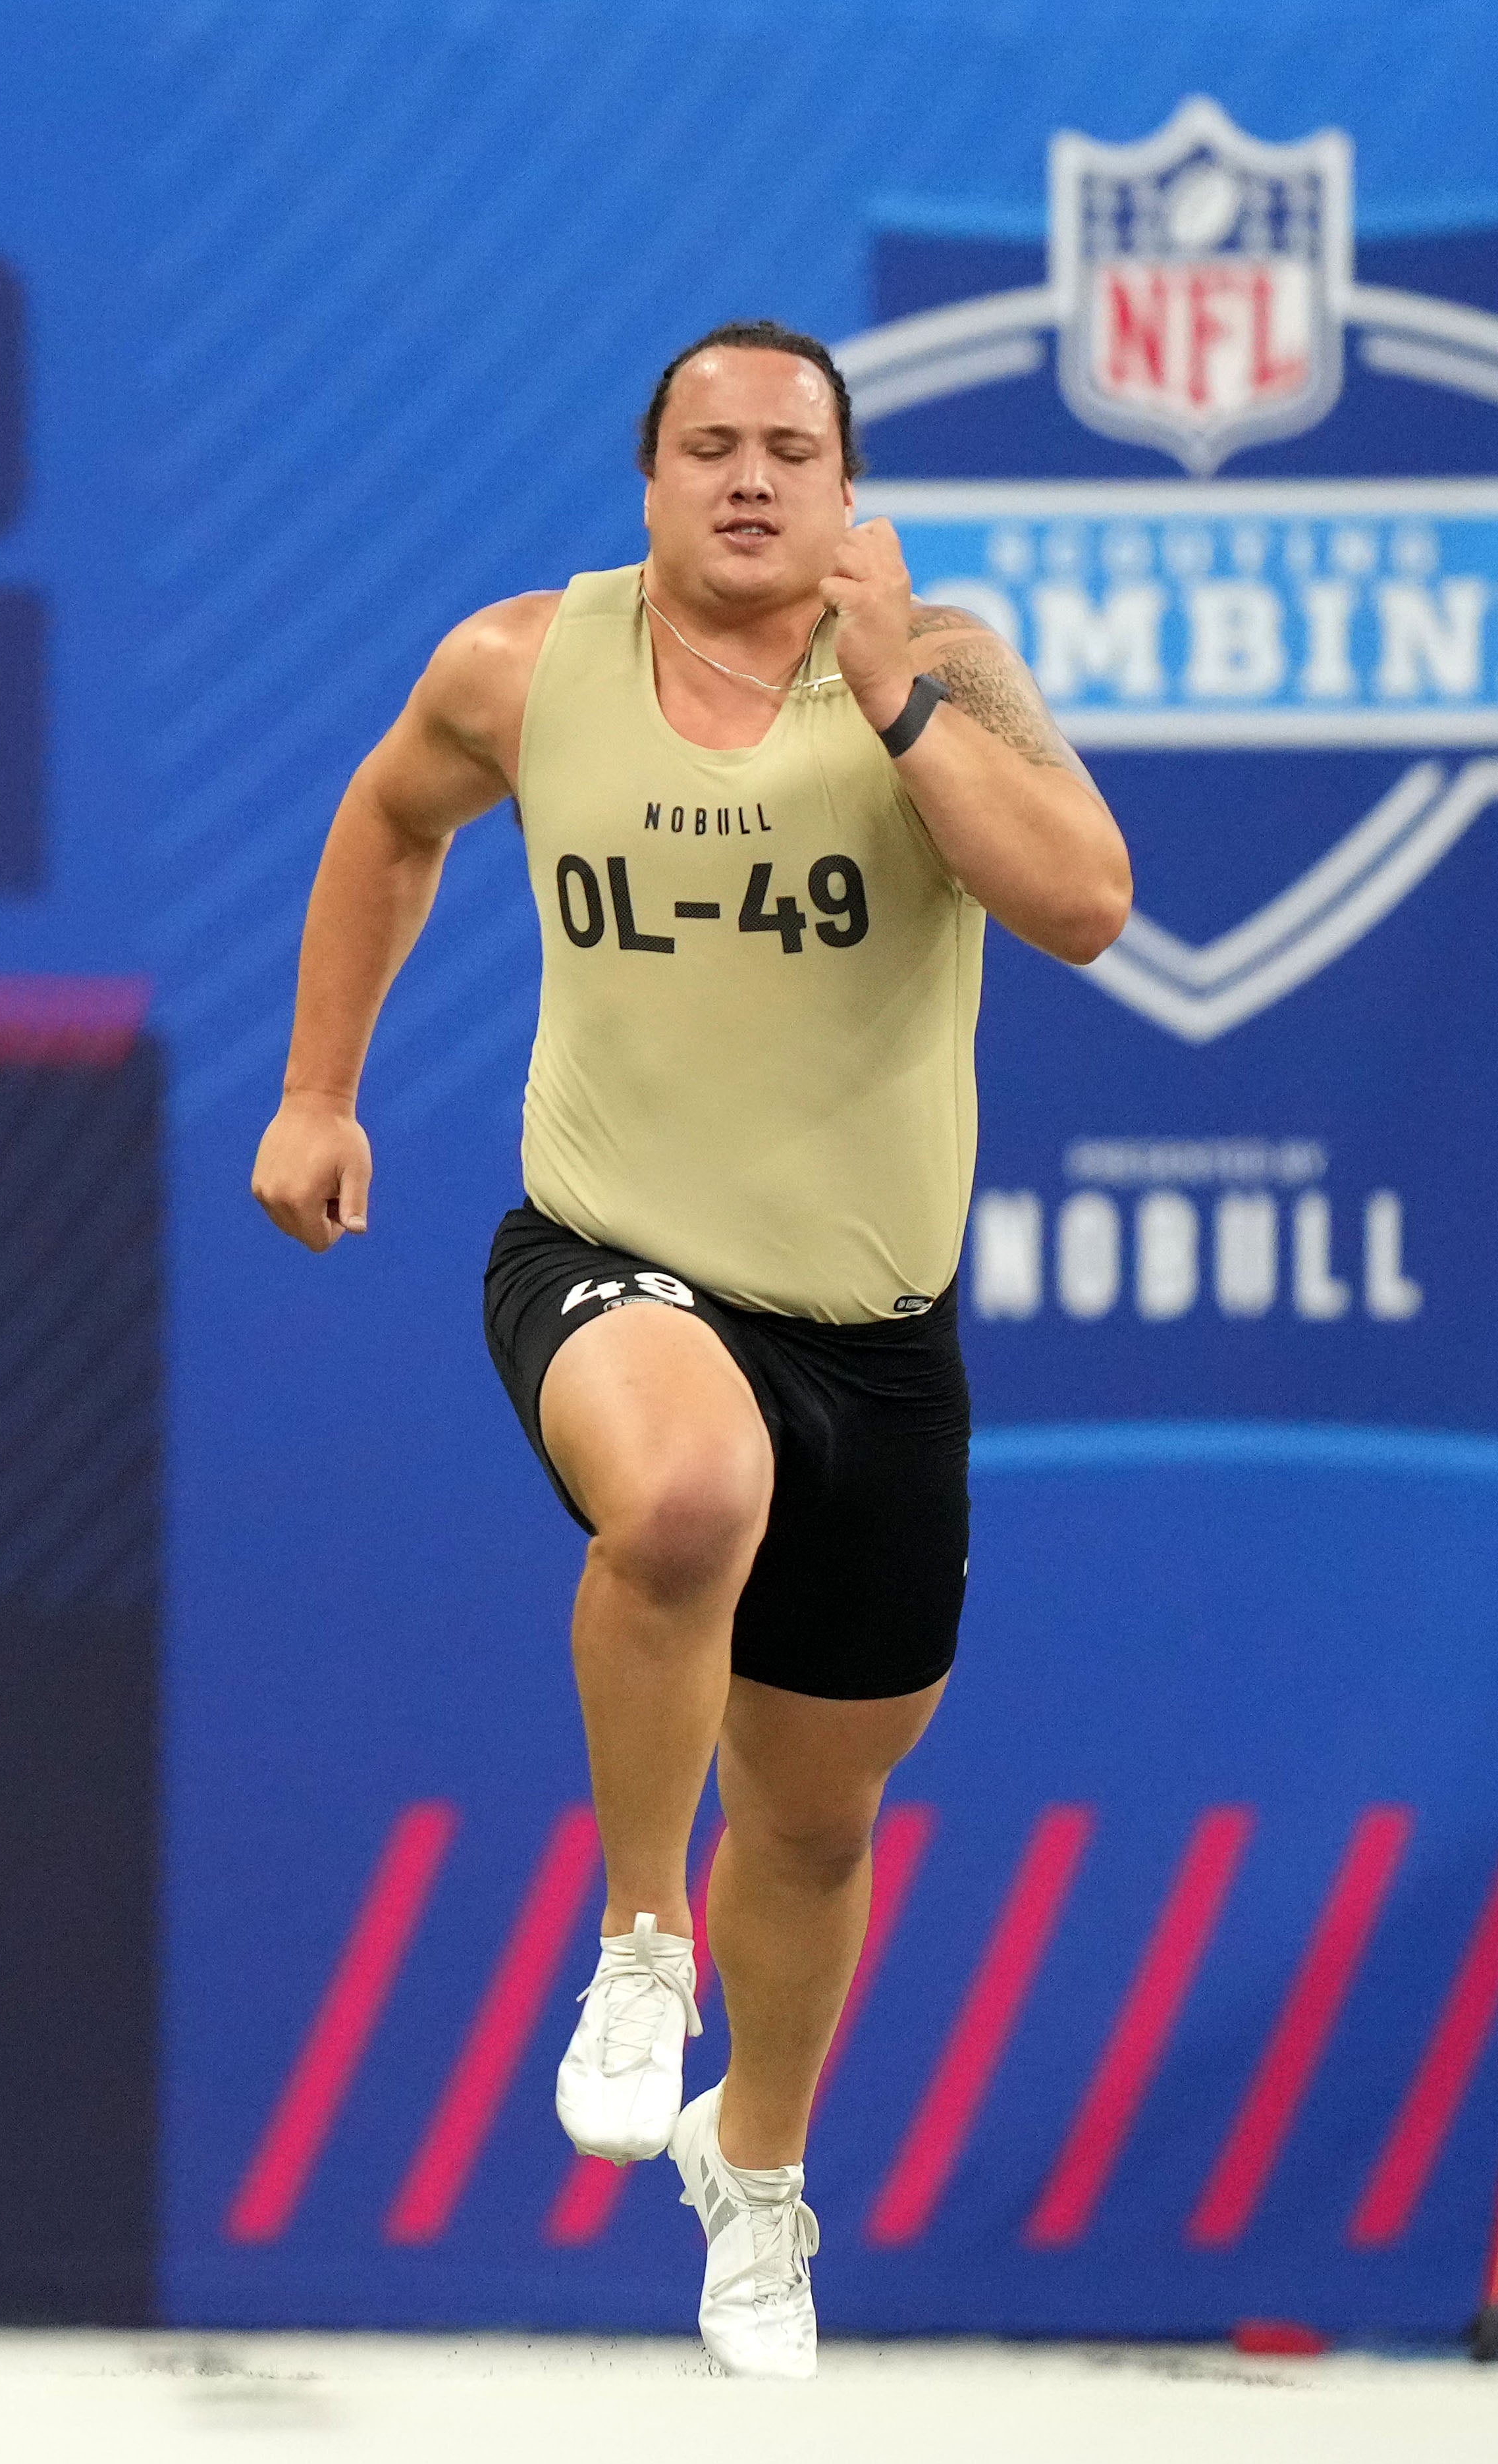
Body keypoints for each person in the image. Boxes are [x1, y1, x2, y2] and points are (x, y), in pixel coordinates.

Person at [248, 319, 1130, 2377]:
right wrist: (318, 1090)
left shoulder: (947, 663)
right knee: (687, 1492)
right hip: (607, 1252)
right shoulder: (524, 664)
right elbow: (392, 820)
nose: (748, 479)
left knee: (818, 1823)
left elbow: (1084, 904)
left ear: (846, 488)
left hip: (876, 1338)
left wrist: (903, 694)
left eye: (790, 452)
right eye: (709, 448)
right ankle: (637, 1942)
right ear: (648, 483)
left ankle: (757, 2168)